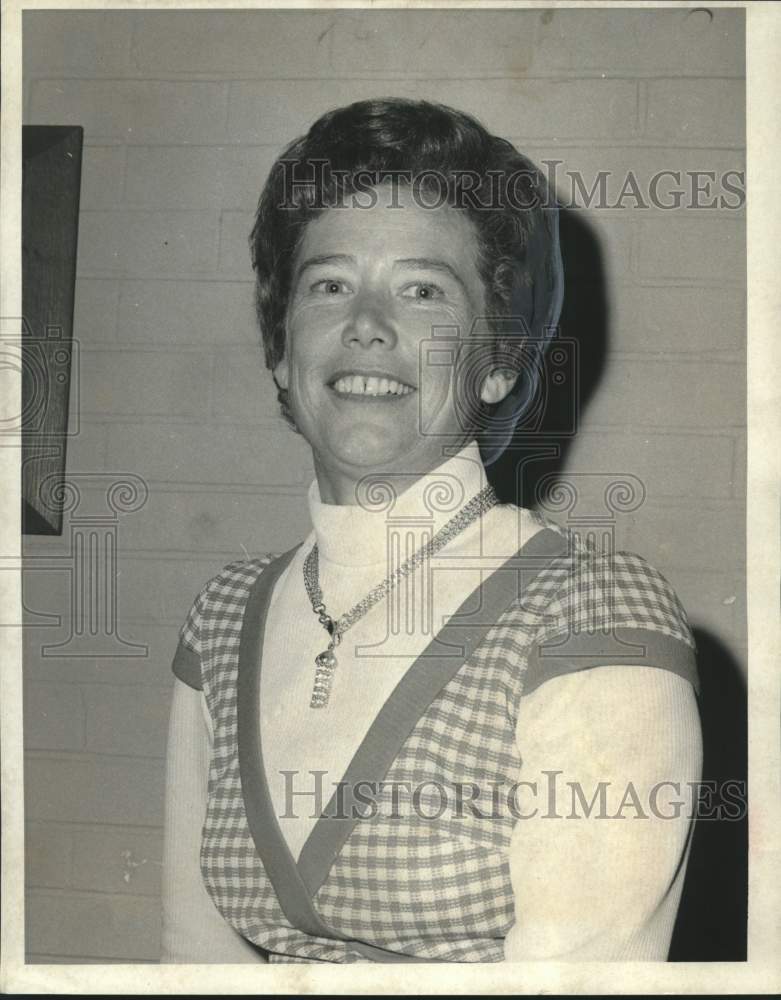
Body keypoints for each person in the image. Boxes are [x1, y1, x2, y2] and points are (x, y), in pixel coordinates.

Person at [161, 98, 702, 964]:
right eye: (328, 284)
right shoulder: (224, 616)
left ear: (494, 365)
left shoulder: (590, 613)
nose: (366, 324)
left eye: (422, 291)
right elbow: (192, 959)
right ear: (279, 347)